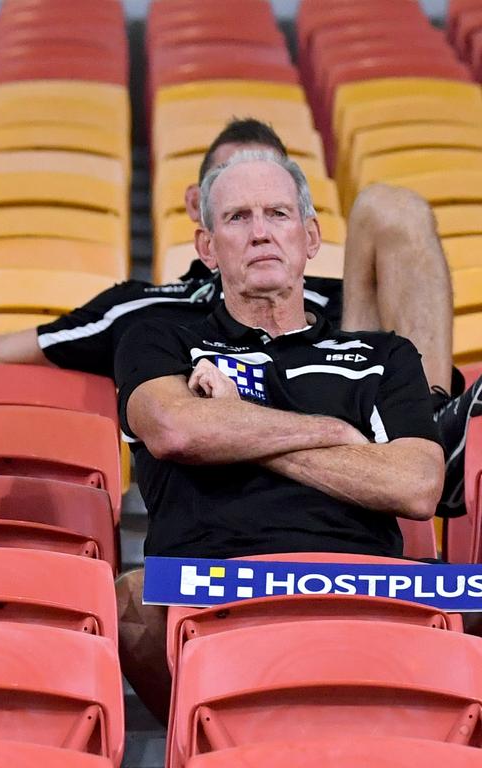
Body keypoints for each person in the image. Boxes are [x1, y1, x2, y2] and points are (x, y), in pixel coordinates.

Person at [0, 118, 478, 517]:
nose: (255, 221)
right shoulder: (148, 316)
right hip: (271, 480)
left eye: (272, 202)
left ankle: (432, 414)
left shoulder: (322, 288)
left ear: (305, 229)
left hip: (373, 414)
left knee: (390, 207)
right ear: (201, 212)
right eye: (233, 197)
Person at [114, 148, 444, 722]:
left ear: (311, 238)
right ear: (208, 248)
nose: (261, 233)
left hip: (362, 585)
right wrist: (338, 435)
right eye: (238, 218)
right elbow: (174, 429)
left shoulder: (382, 356)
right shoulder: (158, 339)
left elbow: (416, 486)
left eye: (279, 214)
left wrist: (237, 420)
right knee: (125, 602)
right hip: (213, 588)